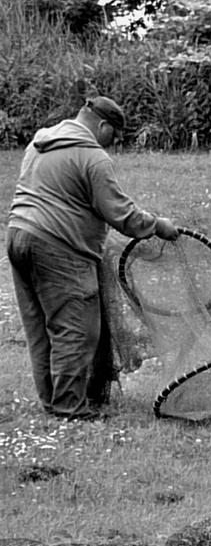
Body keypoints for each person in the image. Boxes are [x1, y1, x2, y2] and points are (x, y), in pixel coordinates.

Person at [6, 95, 180, 421]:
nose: (112, 146)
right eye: (112, 137)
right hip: (58, 247)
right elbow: (120, 213)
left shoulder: (40, 142)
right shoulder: (92, 156)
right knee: (76, 329)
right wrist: (157, 226)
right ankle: (69, 407)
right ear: (102, 126)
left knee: (41, 327)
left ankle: (53, 401)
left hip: (18, 236)